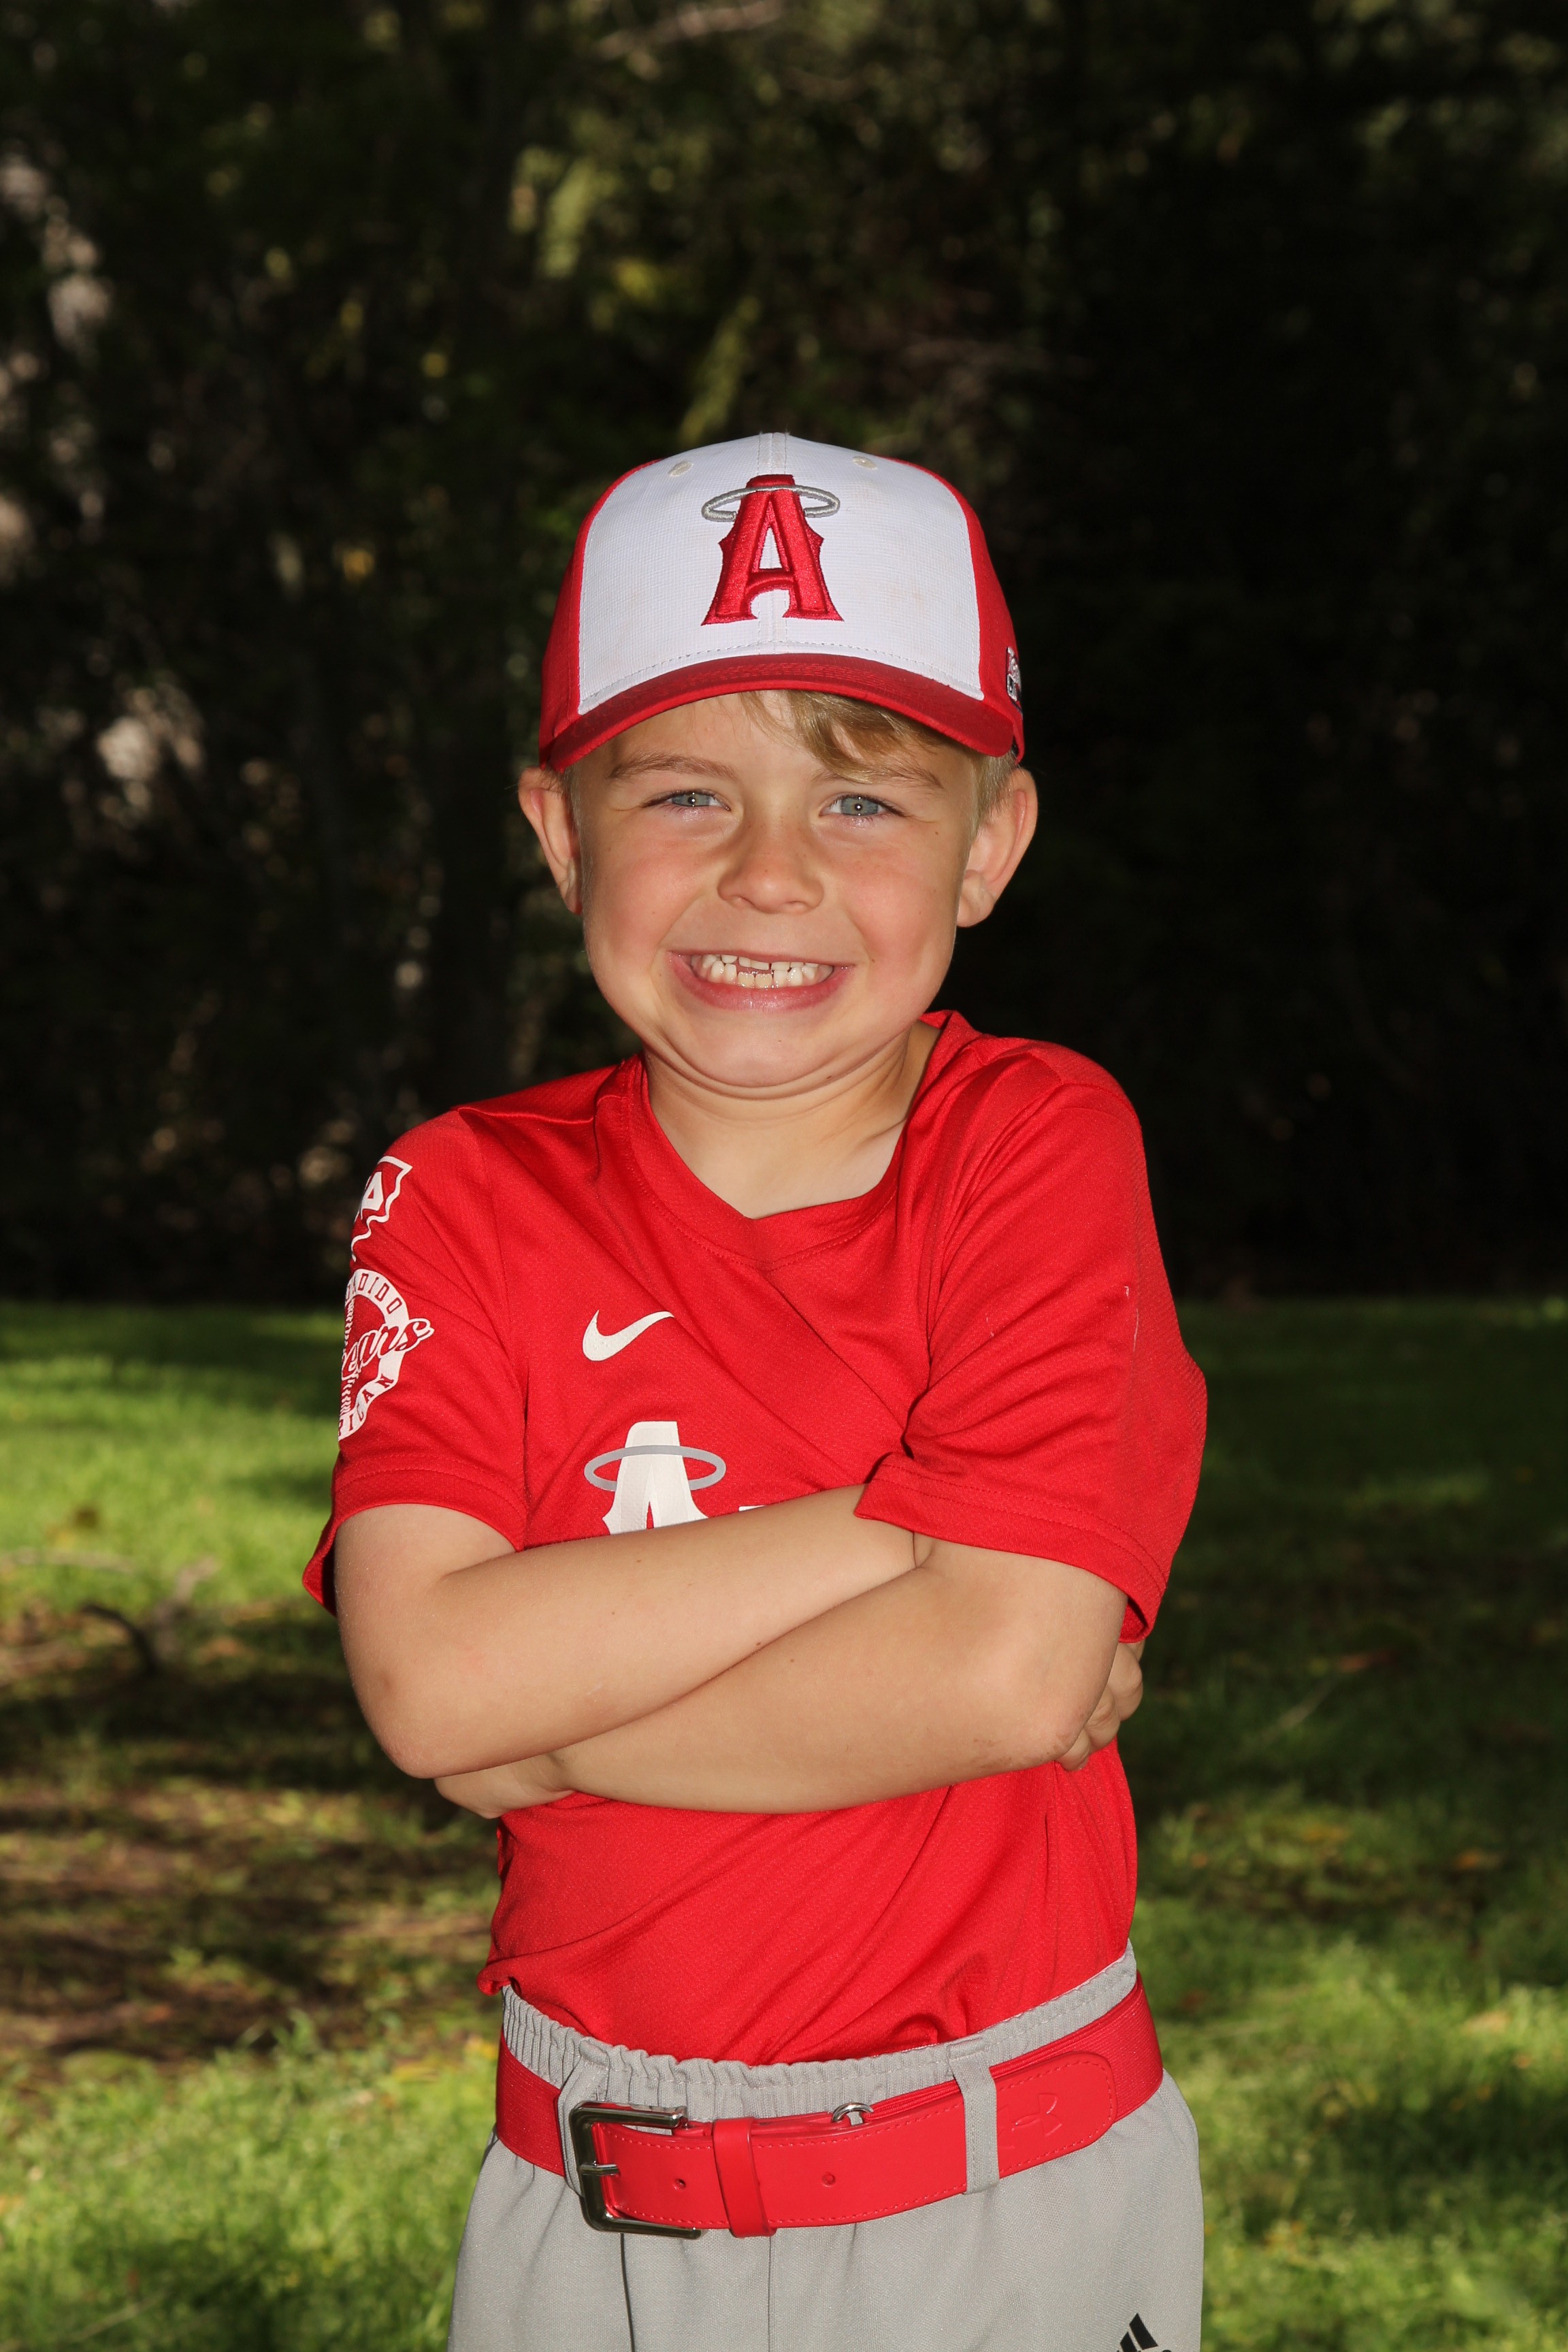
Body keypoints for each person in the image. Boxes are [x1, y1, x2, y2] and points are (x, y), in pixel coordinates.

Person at [306, 432, 1208, 2352]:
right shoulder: (461, 1193)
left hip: (1003, 2196)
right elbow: (431, 1680)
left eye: (864, 799)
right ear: (562, 833)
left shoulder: (1037, 1141)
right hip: (587, 2204)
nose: (771, 873)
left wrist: (555, 1734)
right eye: (686, 792)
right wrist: (905, 1524)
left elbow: (1007, 1672)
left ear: (992, 843)